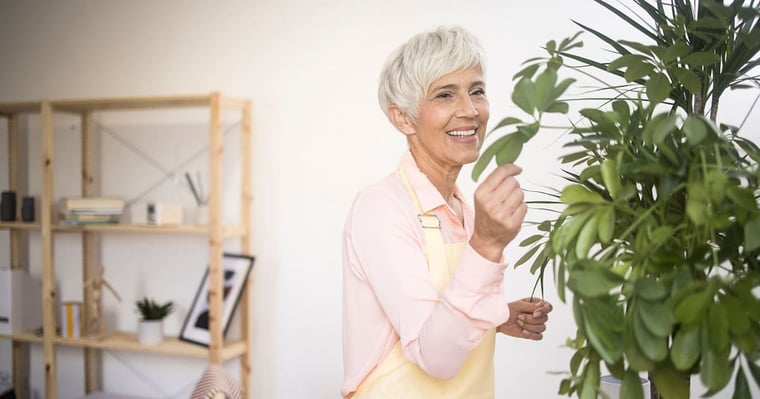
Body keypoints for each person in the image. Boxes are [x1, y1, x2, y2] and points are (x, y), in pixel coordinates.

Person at [342, 25, 554, 399]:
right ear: (403, 118)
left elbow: (439, 315)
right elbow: (434, 356)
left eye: (477, 91)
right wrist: (486, 245)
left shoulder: (463, 207)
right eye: (445, 95)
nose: (470, 110)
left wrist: (498, 318)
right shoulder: (381, 207)